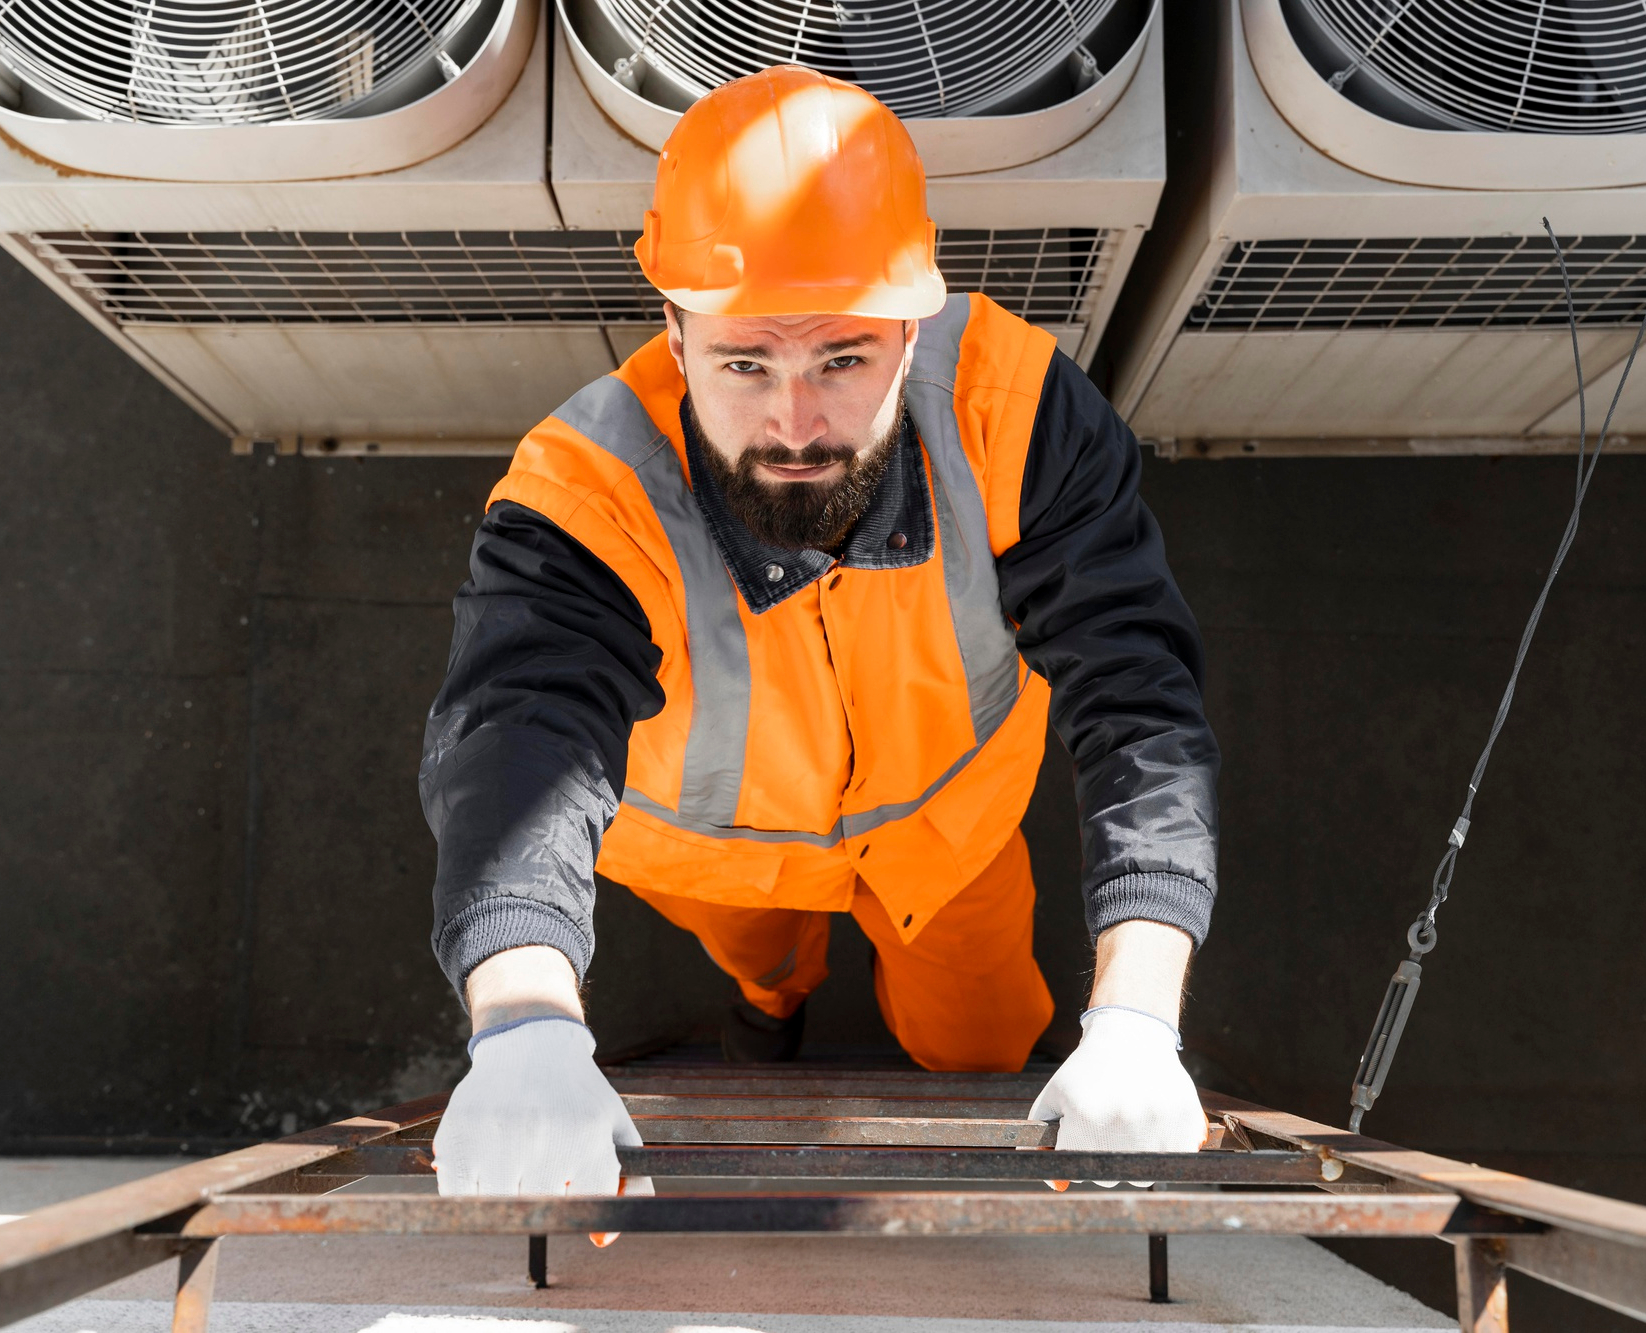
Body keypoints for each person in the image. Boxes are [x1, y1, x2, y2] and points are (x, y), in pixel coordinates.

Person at [421, 65, 1221, 1198]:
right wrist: (520, 1025)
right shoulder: (583, 493)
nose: (792, 426)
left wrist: (1139, 1012)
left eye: (841, 359)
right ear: (675, 329)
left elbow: (1139, 700)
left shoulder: (1018, 410)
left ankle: (814, 1008)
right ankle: (769, 1005)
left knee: (984, 1040)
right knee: (762, 958)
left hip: (947, 830)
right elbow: (516, 738)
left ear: (910, 326)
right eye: (743, 362)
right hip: (715, 848)